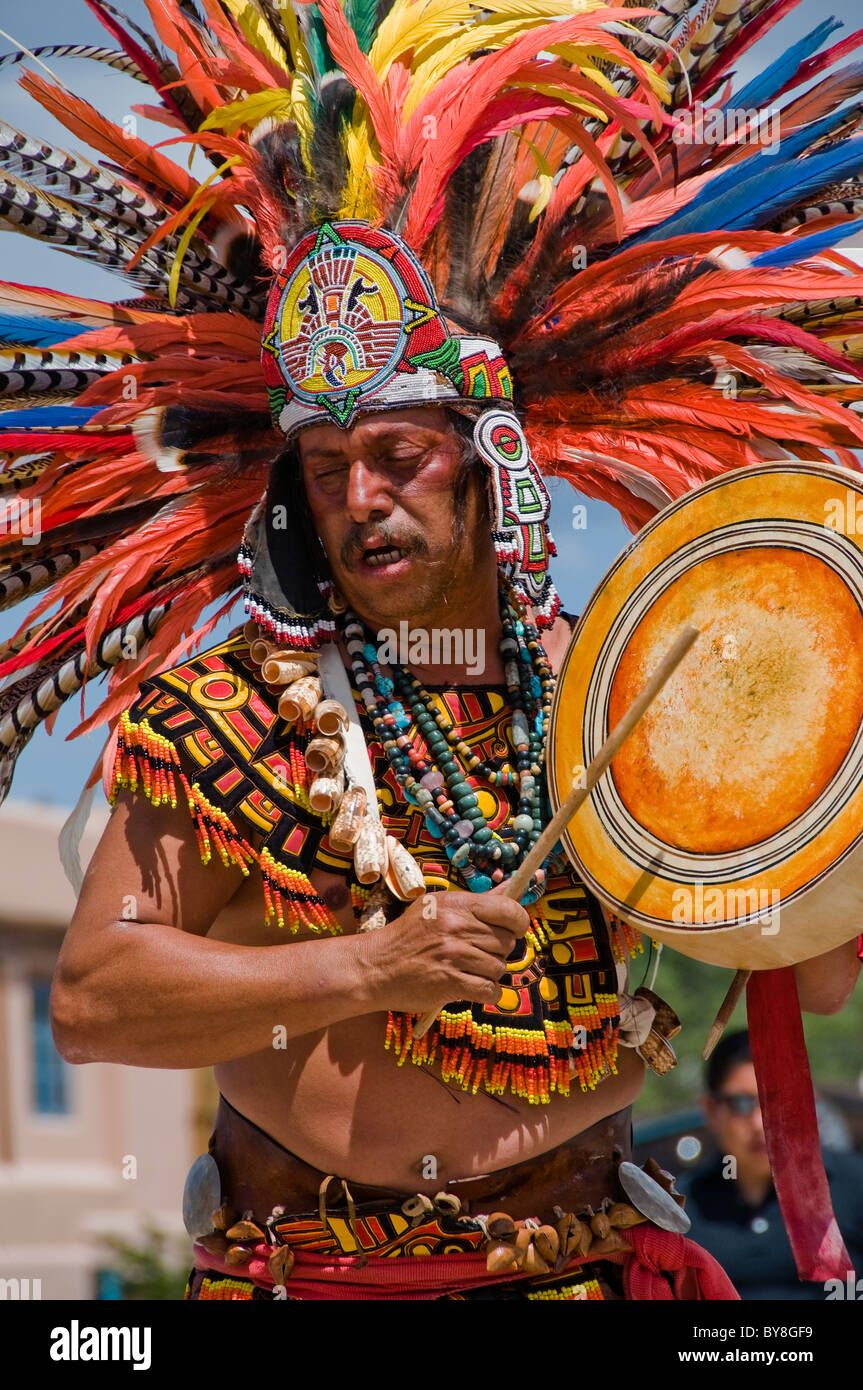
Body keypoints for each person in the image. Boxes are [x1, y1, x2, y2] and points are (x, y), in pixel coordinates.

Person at [0, 0, 860, 1302]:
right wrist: (368, 965)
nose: (359, 497)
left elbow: (797, 945)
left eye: (398, 456)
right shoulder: (221, 713)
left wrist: (811, 829)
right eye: (328, 468)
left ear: (486, 468)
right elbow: (96, 998)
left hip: (583, 1270)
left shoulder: (607, 691)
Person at [682, 1032, 863, 1300]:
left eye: (776, 1100)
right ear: (710, 1109)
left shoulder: (854, 1186)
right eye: (740, 1104)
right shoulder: (679, 1210)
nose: (759, 1123)